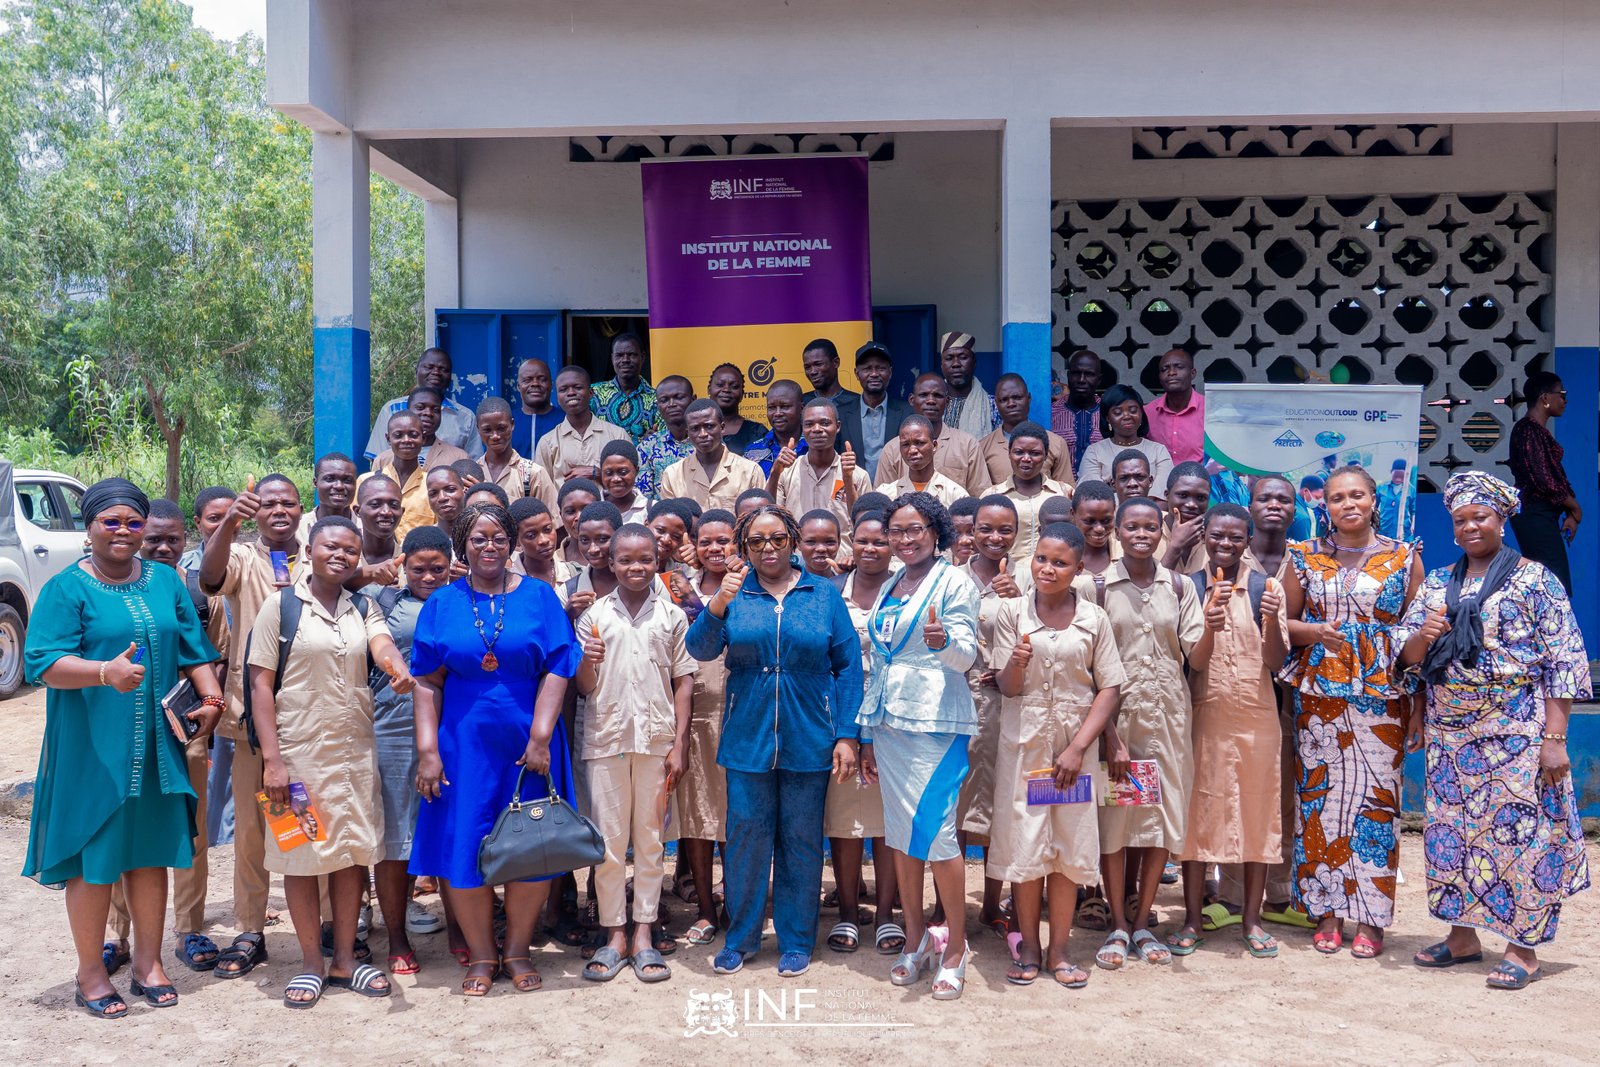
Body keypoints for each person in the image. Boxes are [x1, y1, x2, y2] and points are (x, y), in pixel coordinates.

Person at [23, 479, 224, 1018]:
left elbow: (191, 646)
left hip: (159, 743)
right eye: (109, 521)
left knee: (150, 853)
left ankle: (148, 965)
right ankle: (91, 973)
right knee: (96, 858)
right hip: (93, 747)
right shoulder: (66, 589)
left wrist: (211, 696)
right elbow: (42, 661)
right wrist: (102, 672)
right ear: (88, 526)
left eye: (132, 522)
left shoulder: (164, 580)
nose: (122, 532)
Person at [1394, 471, 1591, 989]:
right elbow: (1409, 658)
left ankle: (1522, 950)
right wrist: (1423, 632)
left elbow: (1564, 662)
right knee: (1452, 837)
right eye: (1460, 521)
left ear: (1501, 519)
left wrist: (1554, 740)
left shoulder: (1535, 580)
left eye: (1479, 516)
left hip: (1517, 734)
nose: (1469, 527)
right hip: (1450, 736)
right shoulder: (1437, 582)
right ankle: (1462, 938)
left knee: (1520, 840)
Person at [410, 501, 581, 996]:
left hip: (530, 743)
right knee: (464, 845)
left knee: (529, 847)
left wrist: (542, 736)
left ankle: (518, 951)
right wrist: (427, 750)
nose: (490, 546)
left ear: (511, 543)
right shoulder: (442, 603)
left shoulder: (540, 596)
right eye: (479, 538)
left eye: (499, 538)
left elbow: (559, 666)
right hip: (463, 745)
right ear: (462, 543)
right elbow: (426, 681)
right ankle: (483, 955)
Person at [685, 505, 864, 979]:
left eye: (778, 539)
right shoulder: (735, 594)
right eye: (757, 541)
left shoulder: (822, 595)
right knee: (745, 840)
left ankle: (796, 940)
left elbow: (848, 668)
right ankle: (741, 938)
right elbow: (700, 648)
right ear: (743, 548)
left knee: (802, 843)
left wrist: (847, 734)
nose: (768, 549)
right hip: (747, 737)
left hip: (810, 737)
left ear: (794, 542)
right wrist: (718, 604)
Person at [249, 517, 413, 1008]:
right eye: (331, 546)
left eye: (350, 550)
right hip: (296, 757)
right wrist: (272, 762)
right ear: (310, 548)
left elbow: (381, 643)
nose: (340, 555)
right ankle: (309, 964)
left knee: (350, 855)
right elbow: (260, 685)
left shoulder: (363, 606)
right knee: (299, 859)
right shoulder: (279, 607)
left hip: (354, 755)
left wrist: (395, 665)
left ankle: (344, 959)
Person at [1281, 464, 1423, 959]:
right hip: (1320, 698)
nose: (1348, 504)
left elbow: (1417, 635)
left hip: (1382, 698)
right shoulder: (1303, 556)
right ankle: (1325, 911)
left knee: (1376, 805)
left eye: (1357, 495)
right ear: (1326, 505)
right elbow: (1285, 624)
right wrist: (1317, 632)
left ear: (1373, 500)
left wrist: (1419, 708)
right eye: (1338, 497)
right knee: (1321, 803)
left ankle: (1372, 917)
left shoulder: (1404, 557)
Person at [989, 521, 1124, 988]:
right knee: (1026, 848)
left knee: (1068, 847)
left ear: (1079, 568)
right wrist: (1015, 663)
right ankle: (1028, 944)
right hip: (1024, 748)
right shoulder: (1011, 612)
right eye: (1042, 559)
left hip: (1074, 754)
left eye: (1061, 562)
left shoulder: (1094, 619)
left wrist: (1079, 748)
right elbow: (1006, 688)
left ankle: (1060, 949)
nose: (1048, 569)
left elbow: (1109, 687)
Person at [857, 491, 979, 1000]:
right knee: (901, 836)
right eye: (897, 531)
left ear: (936, 533)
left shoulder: (955, 581)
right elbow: (880, 662)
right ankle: (916, 939)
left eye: (915, 530)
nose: (904, 539)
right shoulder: (890, 584)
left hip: (936, 724)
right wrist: (865, 732)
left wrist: (942, 644)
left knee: (940, 837)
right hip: (888, 725)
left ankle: (956, 948)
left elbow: (967, 654)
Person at [105, 499, 232, 975]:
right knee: (122, 827)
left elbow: (212, 656)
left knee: (190, 828)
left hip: (187, 729)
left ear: (187, 541)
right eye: (152, 537)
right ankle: (117, 935)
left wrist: (210, 704)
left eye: (171, 539)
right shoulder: (115, 588)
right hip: (126, 726)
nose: (161, 546)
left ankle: (189, 927)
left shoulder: (202, 596)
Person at [574, 524, 695, 983]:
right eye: (625, 560)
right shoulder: (594, 617)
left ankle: (644, 932)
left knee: (649, 839)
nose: (635, 567)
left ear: (657, 561)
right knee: (606, 844)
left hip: (657, 740)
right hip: (605, 739)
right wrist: (589, 658)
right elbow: (585, 688)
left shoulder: (672, 616)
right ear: (610, 561)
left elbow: (683, 682)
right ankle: (614, 935)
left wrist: (679, 744)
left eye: (644, 559)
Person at [199, 474, 307, 980]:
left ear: (301, 507)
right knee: (252, 829)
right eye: (269, 504)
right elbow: (210, 574)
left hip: (310, 718)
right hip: (250, 722)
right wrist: (228, 522)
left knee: (307, 824)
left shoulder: (317, 551)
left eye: (288, 502)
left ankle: (325, 924)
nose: (280, 510)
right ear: (256, 511)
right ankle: (250, 929)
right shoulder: (241, 555)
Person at [1169, 505, 1289, 960]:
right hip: (1205, 718)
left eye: (1235, 537)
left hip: (1258, 719)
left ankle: (1252, 920)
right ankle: (1192, 919)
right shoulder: (1189, 588)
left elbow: (1276, 663)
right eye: (1217, 535)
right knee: (1198, 817)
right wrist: (1210, 625)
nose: (1225, 544)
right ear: (1204, 538)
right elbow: (1194, 664)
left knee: (1259, 816)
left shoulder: (1265, 587)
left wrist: (1271, 618)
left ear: (1247, 540)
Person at [1093, 495, 1205, 971]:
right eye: (1131, 526)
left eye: (1150, 527)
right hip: (1119, 724)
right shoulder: (1096, 588)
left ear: (1164, 531)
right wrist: (1108, 735)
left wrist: (1214, 624)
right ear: (1117, 532)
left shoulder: (1180, 587)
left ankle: (1142, 922)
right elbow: (1090, 667)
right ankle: (1117, 922)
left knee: (1159, 820)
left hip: (1169, 720)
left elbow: (1195, 658)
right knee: (1116, 824)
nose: (1141, 534)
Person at [371, 527, 454, 977]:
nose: (427, 575)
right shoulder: (385, 604)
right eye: (418, 568)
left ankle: (459, 927)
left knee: (449, 829)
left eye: (437, 568)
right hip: (394, 731)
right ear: (402, 565)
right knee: (397, 839)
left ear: (450, 565)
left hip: (454, 732)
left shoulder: (463, 600)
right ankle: (397, 936)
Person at [828, 509, 903, 956]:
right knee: (844, 819)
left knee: (887, 821)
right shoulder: (833, 592)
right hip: (844, 721)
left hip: (895, 725)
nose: (871, 549)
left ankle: (887, 914)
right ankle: (849, 914)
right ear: (850, 544)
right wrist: (848, 732)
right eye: (863, 541)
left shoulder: (906, 591)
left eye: (880, 541)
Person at [956, 495, 1030, 936]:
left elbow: (1047, 634)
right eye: (985, 529)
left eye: (1005, 530)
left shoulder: (1030, 578)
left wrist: (1021, 601)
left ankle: (991, 903)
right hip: (962, 707)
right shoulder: (952, 579)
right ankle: (950, 905)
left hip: (1013, 709)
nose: (994, 538)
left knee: (1004, 807)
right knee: (960, 806)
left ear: (1016, 533)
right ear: (971, 532)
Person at [673, 510, 737, 946]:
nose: (715, 549)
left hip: (740, 714)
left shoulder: (750, 587)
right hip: (693, 716)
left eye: (724, 541)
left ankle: (737, 900)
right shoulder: (677, 590)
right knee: (697, 817)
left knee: (737, 816)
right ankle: (706, 909)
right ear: (694, 544)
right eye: (706, 541)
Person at [771, 397, 871, 556]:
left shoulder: (857, 475)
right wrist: (775, 471)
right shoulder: (786, 472)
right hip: (797, 564)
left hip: (842, 563)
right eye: (809, 424)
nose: (817, 429)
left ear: (837, 427)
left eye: (825, 423)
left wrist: (847, 480)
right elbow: (769, 515)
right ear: (802, 428)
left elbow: (864, 525)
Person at [1508, 371, 1580, 594]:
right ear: (1545, 398)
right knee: (1552, 586)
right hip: (1533, 515)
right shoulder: (1527, 431)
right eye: (1562, 394)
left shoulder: (1537, 432)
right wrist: (1575, 507)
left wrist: (1569, 511)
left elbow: (1555, 476)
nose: (1565, 400)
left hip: (1543, 515)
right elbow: (1544, 480)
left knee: (1553, 583)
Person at [873, 373, 989, 495]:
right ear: (912, 400)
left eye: (937, 395)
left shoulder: (967, 445)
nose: (930, 401)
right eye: (923, 395)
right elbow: (882, 501)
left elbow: (980, 498)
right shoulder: (892, 449)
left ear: (947, 401)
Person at [365, 348, 483, 461]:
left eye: (443, 369)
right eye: (429, 367)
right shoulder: (391, 410)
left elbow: (473, 463)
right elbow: (378, 460)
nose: (436, 372)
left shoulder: (465, 417)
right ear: (417, 371)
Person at [982, 421, 1071, 568]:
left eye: (1034, 453)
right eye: (1019, 452)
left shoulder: (1063, 493)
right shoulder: (992, 496)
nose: (1026, 459)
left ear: (1046, 455)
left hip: (1052, 575)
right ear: (1009, 453)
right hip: (1006, 575)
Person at [659, 399, 766, 511]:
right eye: (695, 429)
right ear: (688, 433)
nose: (703, 434)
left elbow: (759, 519)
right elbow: (670, 522)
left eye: (709, 426)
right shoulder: (673, 475)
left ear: (722, 427)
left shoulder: (750, 471)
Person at [535, 366, 630, 483]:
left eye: (578, 387)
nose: (571, 393)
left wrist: (597, 472)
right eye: (563, 389)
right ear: (558, 398)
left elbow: (631, 480)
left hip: (607, 502)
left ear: (591, 393)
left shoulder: (617, 435)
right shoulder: (547, 443)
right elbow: (542, 491)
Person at [981, 373, 1075, 487]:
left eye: (1017, 397)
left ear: (1028, 398)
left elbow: (1065, 493)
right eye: (1004, 400)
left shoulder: (1056, 443)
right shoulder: (983, 448)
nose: (1011, 404)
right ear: (996, 404)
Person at [1078, 385, 1173, 495]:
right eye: (1118, 412)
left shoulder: (1159, 451)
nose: (1127, 416)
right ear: (1107, 418)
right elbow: (1093, 497)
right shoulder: (1094, 452)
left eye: (1133, 410)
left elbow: (1163, 497)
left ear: (1141, 414)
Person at [477, 396, 558, 511]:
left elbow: (554, 522)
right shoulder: (473, 474)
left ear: (512, 425)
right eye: (487, 430)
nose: (495, 436)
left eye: (501, 428)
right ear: (478, 429)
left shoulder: (533, 474)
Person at [371, 386, 472, 473]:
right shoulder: (383, 460)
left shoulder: (459, 457)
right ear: (408, 411)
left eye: (435, 410)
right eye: (420, 407)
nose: (428, 413)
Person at [877, 415, 968, 508]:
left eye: (919, 443)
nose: (912, 450)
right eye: (905, 444)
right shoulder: (886, 495)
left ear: (935, 445)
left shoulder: (955, 495)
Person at [854, 341, 914, 477]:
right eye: (867, 369)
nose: (874, 374)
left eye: (880, 368)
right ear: (857, 374)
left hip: (896, 492)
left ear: (890, 372)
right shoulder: (842, 414)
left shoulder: (907, 413)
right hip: (854, 493)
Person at [590, 332, 662, 439]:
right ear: (612, 358)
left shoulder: (657, 399)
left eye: (631, 355)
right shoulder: (593, 393)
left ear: (642, 357)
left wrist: (653, 440)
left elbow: (664, 437)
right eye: (619, 355)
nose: (625, 360)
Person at [637, 374, 697, 498]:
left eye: (679, 397)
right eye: (664, 400)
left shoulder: (707, 441)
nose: (671, 404)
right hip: (660, 515)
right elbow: (644, 497)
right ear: (658, 406)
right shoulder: (647, 447)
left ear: (693, 400)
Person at [801, 338, 863, 455]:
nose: (813, 371)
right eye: (807, 367)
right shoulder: (802, 403)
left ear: (836, 363)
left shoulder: (857, 402)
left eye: (818, 364)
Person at [1144, 348, 1205, 465]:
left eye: (1179, 367)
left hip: (1202, 481)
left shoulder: (1210, 410)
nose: (1171, 372)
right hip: (1160, 482)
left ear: (1193, 373)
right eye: (1164, 369)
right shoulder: (1147, 413)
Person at [1051, 349, 1107, 474]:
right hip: (1061, 491)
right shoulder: (1051, 413)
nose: (1081, 379)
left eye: (1089, 374)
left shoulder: (1109, 414)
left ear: (1099, 379)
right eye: (1076, 373)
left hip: (1104, 491)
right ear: (1068, 375)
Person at [939, 332, 999, 437]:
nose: (956, 364)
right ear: (941, 365)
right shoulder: (931, 404)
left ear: (974, 363)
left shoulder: (993, 406)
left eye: (962, 357)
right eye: (949, 358)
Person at [507, 497, 576, 586]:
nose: (544, 540)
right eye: (531, 536)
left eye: (548, 529)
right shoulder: (509, 584)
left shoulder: (573, 573)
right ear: (516, 541)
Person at [1160, 461, 1213, 575]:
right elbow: (1151, 592)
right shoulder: (1146, 531)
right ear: (1167, 495)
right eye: (1183, 495)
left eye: (1200, 498)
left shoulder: (1216, 539)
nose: (1192, 504)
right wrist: (1175, 547)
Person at [743, 379, 806, 474]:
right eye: (771, 407)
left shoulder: (815, 447)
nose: (777, 413)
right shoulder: (752, 451)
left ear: (801, 408)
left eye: (785, 406)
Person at [510, 358, 565, 460]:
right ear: (518, 386)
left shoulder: (565, 420)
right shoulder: (507, 421)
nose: (535, 383)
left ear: (551, 385)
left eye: (542, 379)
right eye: (527, 380)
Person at [297, 453, 360, 542]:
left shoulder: (368, 530)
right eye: (330, 479)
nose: (339, 486)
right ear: (315, 483)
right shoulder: (297, 529)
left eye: (347, 480)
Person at [709, 363, 768, 454]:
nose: (726, 389)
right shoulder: (696, 429)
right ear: (709, 390)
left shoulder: (757, 432)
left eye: (734, 386)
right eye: (720, 385)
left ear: (742, 394)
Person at [1071, 480, 1119, 581]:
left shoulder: (1128, 556)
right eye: (1089, 521)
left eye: (1106, 520)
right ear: (1073, 515)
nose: (1099, 528)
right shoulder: (1058, 559)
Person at [597, 440, 649, 524]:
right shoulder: (591, 506)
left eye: (623, 472)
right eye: (608, 473)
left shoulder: (649, 509)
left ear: (636, 471)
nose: (616, 479)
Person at [555, 477, 601, 567]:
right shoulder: (553, 562)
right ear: (561, 516)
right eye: (570, 511)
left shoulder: (614, 556)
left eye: (586, 509)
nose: (579, 517)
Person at [1376, 458, 1415, 538]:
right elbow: (1373, 508)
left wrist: (1413, 525)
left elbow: (1414, 511)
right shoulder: (1381, 488)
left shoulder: (1411, 490)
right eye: (1396, 476)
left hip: (1404, 531)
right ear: (1391, 472)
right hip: (1384, 530)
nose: (1398, 479)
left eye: (1401, 477)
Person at [948, 497, 979, 567]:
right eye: (956, 533)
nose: (964, 541)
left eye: (972, 532)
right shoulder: (946, 576)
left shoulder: (1003, 575)